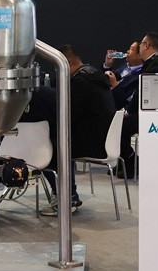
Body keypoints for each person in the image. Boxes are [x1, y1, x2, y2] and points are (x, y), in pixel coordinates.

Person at [39, 45, 116, 216]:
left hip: (93, 143)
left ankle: (66, 197)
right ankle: (68, 194)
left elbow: (69, 115)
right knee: (57, 141)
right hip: (103, 138)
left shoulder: (81, 82)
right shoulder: (94, 76)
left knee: (46, 147)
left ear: (64, 64)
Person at [117, 32, 158, 178]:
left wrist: (128, 110)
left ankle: (131, 163)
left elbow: (143, 91)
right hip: (151, 111)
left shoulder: (155, 64)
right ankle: (127, 164)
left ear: (146, 45)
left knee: (119, 126)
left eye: (141, 44)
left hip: (152, 115)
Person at [104, 40, 143, 110]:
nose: (127, 51)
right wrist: (108, 65)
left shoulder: (139, 77)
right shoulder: (125, 66)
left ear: (139, 55)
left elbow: (126, 102)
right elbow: (107, 80)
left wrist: (115, 85)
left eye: (131, 49)